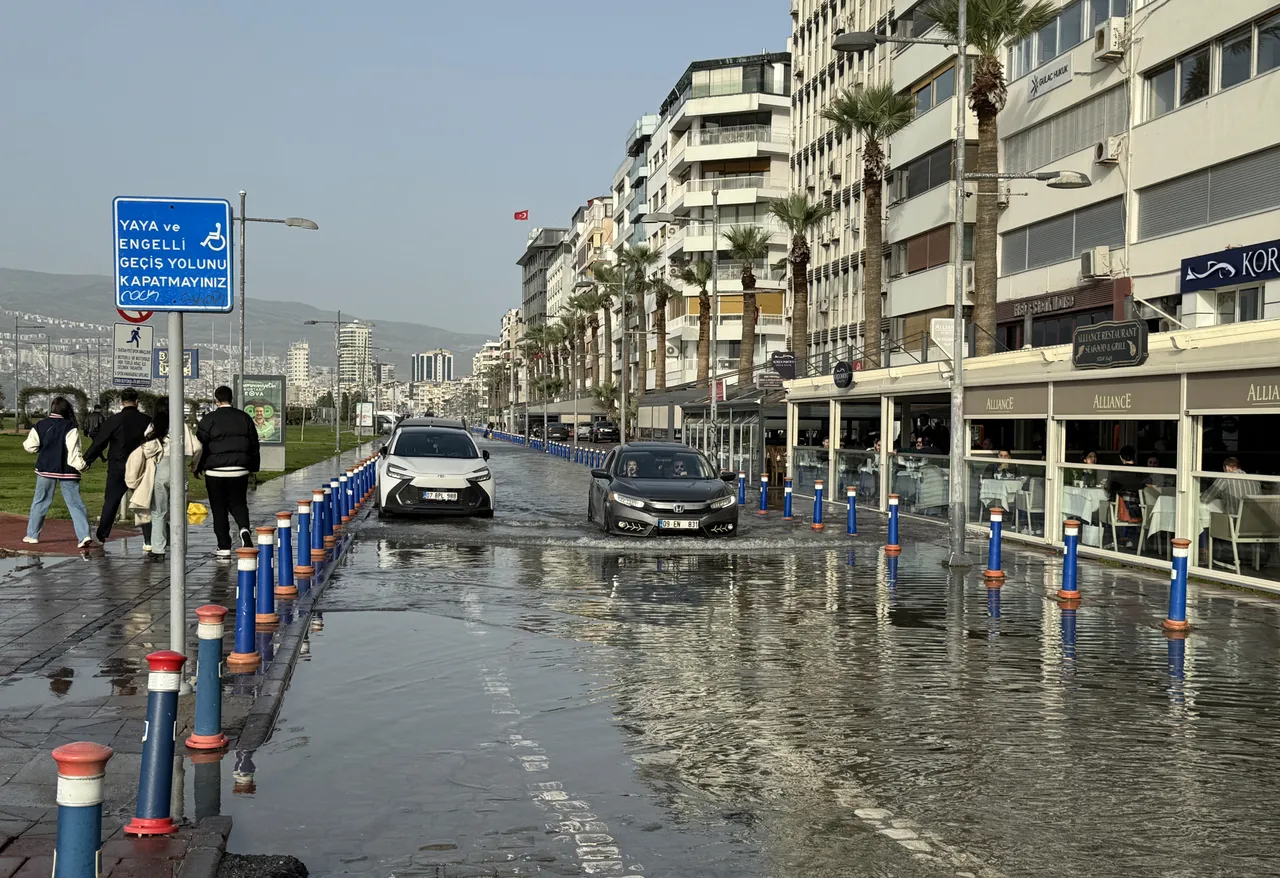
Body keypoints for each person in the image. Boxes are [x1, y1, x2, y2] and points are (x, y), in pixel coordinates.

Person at [129, 397, 201, 563]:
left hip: (160, 469)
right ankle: (179, 547)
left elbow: (145, 448)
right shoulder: (182, 426)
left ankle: (158, 549)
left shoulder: (154, 427)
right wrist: (193, 464)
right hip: (179, 470)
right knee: (178, 513)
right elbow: (197, 447)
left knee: (158, 513)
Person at [197, 385, 261, 561]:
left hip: (215, 471)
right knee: (239, 503)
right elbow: (254, 444)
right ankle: (244, 529)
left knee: (219, 508)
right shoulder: (244, 418)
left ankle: (223, 546)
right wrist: (253, 467)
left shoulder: (209, 419)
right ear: (231, 399)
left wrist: (198, 466)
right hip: (239, 470)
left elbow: (200, 446)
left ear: (216, 400)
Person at [23, 397, 94, 548]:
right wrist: (83, 467)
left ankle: (32, 535)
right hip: (68, 471)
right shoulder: (71, 426)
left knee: (40, 501)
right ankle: (84, 535)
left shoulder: (41, 425)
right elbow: (73, 452)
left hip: (46, 468)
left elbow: (30, 446)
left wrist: (41, 449)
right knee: (75, 503)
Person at [85, 389, 152, 546]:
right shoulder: (147, 421)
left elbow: (99, 442)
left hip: (118, 465)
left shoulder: (114, 420)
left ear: (122, 401)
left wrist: (87, 460)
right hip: (141, 466)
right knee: (143, 502)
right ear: (137, 401)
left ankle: (101, 535)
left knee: (111, 501)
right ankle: (149, 539)